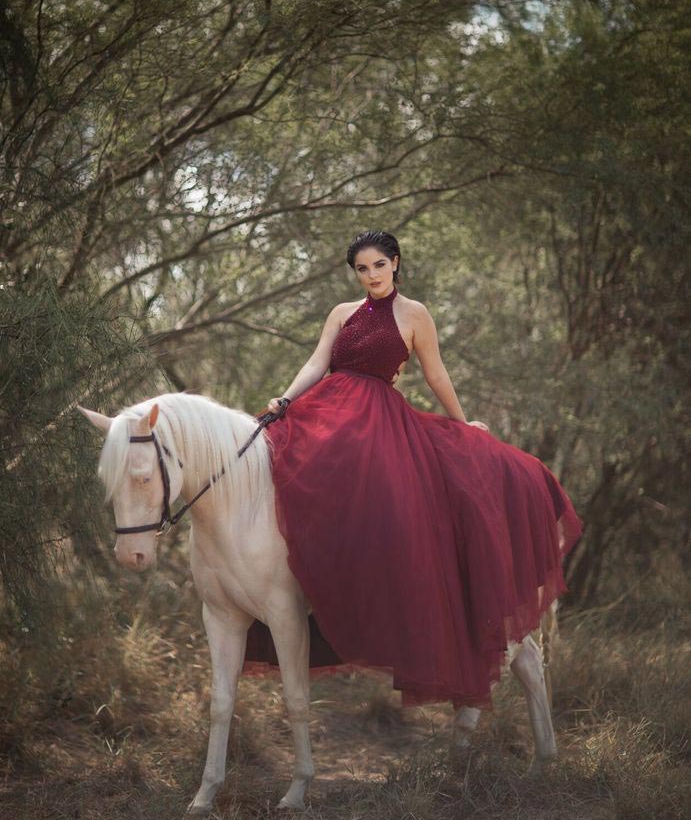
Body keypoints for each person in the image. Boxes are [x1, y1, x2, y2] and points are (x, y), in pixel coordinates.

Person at [243, 229, 583, 708]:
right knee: (278, 461)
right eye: (362, 269)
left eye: (379, 265)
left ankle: (364, 586)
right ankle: (293, 583)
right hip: (328, 405)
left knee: (379, 492)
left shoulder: (415, 314)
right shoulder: (341, 313)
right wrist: (285, 399)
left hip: (376, 416)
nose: (371, 275)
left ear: (396, 262)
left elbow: (435, 373)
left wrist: (462, 424)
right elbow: (317, 363)